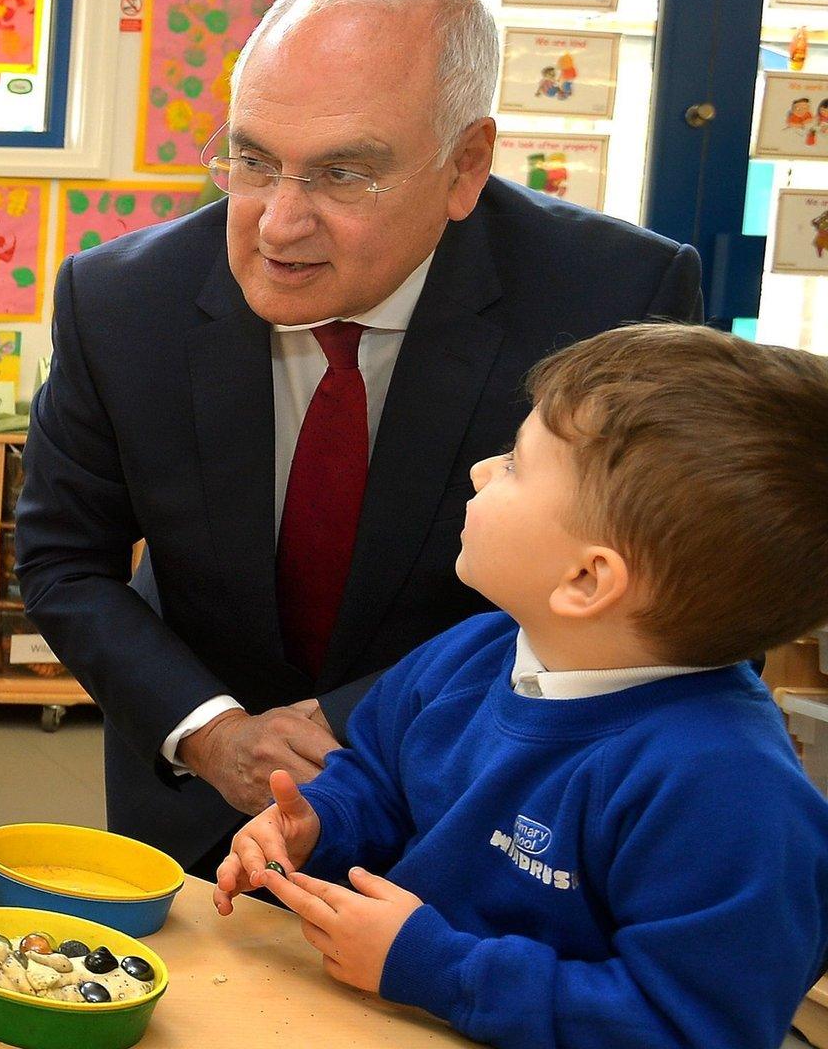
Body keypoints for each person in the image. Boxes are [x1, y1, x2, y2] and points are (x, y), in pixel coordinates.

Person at [15, 0, 702, 872]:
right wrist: (214, 733)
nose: (278, 222)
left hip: (469, 808)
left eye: (344, 175)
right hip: (199, 810)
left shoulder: (613, 300)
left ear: (466, 167)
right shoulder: (119, 302)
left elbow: (628, 581)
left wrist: (342, 722)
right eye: (253, 160)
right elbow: (64, 559)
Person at [214, 324, 828, 1049]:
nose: (479, 470)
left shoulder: (728, 794)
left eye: (514, 465)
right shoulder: (475, 654)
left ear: (587, 579)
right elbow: (382, 781)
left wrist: (438, 969)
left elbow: (692, 1027)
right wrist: (317, 823)